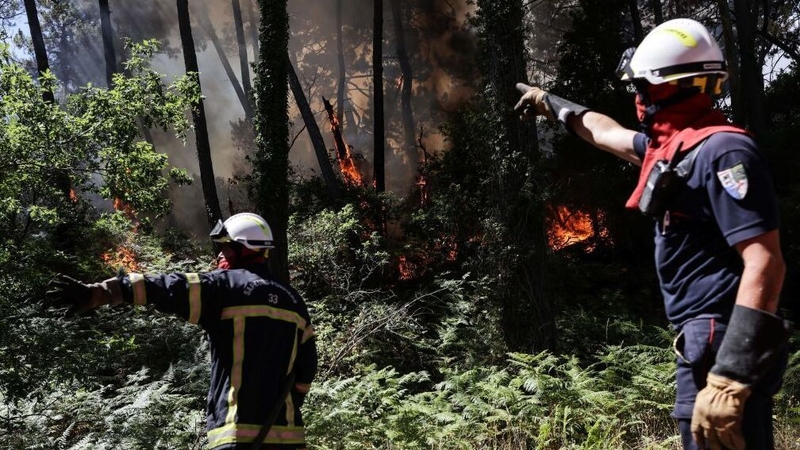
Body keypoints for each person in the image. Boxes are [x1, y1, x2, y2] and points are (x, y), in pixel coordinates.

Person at [514, 18, 791, 450]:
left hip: (720, 343)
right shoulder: (677, 148)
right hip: (702, 343)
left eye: (641, 88)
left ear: (666, 87)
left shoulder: (723, 150)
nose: (638, 100)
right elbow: (607, 133)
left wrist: (730, 376)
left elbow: (765, 261)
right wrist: (551, 102)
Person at [47, 212, 317, 450]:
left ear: (244, 249)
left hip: (235, 433)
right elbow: (307, 372)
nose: (220, 255)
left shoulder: (224, 288)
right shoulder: (295, 302)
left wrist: (100, 293)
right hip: (287, 436)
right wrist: (285, 407)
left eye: (225, 248)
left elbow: (166, 287)